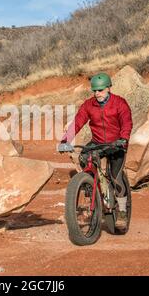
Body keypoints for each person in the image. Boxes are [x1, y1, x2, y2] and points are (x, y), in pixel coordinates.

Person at [59, 72, 133, 224]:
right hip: (98, 142)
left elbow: (127, 122)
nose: (97, 93)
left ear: (108, 88)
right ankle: (91, 187)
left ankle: (122, 212)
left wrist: (123, 139)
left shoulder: (120, 103)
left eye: (100, 90)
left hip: (116, 143)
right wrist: (65, 140)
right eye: (94, 90)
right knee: (84, 157)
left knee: (115, 177)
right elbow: (78, 122)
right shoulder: (89, 105)